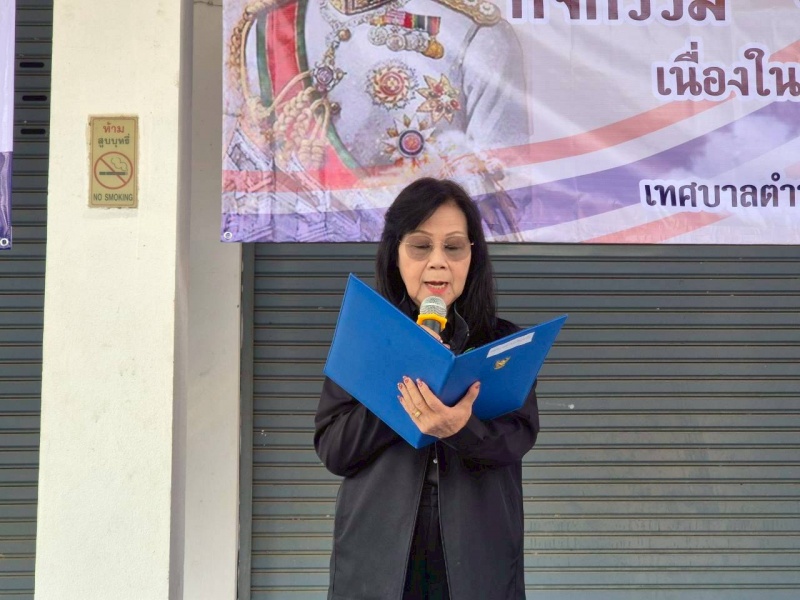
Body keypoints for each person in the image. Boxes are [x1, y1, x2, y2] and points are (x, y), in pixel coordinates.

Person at [314, 177, 540, 599]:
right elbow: (334, 450)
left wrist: (461, 429)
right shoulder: (366, 339)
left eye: (453, 247)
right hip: (378, 562)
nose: (438, 263)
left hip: (479, 560)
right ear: (396, 254)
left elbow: (517, 439)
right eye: (420, 246)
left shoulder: (503, 343)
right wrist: (403, 380)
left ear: (473, 255)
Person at [223, 0, 530, 242]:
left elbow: (504, 196)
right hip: (303, 259)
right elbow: (248, 188)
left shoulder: (475, 35)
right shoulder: (267, 29)